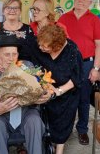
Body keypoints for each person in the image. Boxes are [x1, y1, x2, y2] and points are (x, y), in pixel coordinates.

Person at [0, 35, 50, 154]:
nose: (11, 58)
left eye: (15, 54)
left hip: (26, 113)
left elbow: (42, 87)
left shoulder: (28, 67)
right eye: (7, 54)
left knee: (35, 120)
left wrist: (45, 95)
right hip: (1, 117)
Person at [57, 0, 100, 145]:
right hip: (67, 65)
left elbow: (99, 46)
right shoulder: (63, 18)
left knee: (84, 99)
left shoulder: (94, 19)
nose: (81, 1)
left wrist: (96, 68)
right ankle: (65, 129)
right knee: (66, 98)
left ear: (90, 3)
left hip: (86, 65)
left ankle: (82, 130)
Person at [31, 25, 82, 154]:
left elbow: (76, 78)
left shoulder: (72, 51)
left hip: (67, 94)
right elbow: (34, 67)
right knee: (46, 121)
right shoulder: (39, 48)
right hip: (46, 89)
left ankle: (59, 150)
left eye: (45, 46)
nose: (41, 48)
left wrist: (57, 91)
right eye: (40, 44)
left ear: (56, 46)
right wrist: (45, 84)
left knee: (63, 124)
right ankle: (48, 145)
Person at [0, 0, 35, 68]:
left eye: (15, 8)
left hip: (23, 71)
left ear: (20, 11)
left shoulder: (28, 29)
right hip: (0, 70)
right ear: (3, 11)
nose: (12, 10)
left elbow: (33, 52)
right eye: (8, 8)